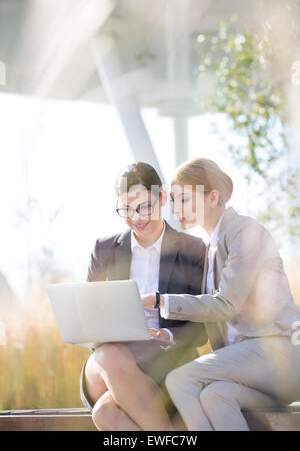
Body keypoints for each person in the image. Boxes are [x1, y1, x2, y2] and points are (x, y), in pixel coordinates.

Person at [142, 157, 300, 431]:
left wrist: (161, 301)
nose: (175, 209)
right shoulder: (211, 247)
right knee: (215, 396)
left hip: (283, 354)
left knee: (181, 380)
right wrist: (164, 332)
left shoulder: (244, 231)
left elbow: (225, 304)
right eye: (174, 201)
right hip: (255, 367)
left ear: (212, 197)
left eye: (184, 200)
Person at [80, 162, 208, 431]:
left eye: (144, 207)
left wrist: (169, 336)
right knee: (112, 355)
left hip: (164, 360)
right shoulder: (103, 249)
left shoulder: (193, 250)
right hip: (107, 365)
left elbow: (201, 330)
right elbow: (87, 317)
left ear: (162, 198)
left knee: (106, 414)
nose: (135, 217)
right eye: (125, 209)